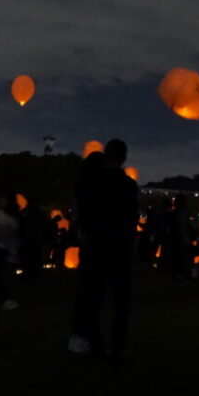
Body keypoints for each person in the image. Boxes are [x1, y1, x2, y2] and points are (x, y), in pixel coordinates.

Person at [69, 139, 139, 357]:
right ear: (123, 157)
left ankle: (89, 338)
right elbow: (131, 219)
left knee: (92, 294)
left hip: (93, 245)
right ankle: (118, 344)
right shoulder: (128, 186)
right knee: (120, 299)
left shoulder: (89, 183)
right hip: (118, 247)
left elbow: (81, 211)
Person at [169, 195, 193, 282]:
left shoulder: (175, 212)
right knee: (183, 258)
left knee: (179, 258)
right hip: (180, 238)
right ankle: (184, 275)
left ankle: (179, 275)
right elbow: (184, 225)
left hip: (178, 238)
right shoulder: (181, 212)